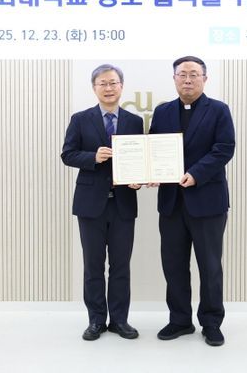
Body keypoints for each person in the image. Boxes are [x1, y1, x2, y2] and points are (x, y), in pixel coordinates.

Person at [149, 56, 235, 347]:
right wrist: (151, 172)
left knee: (210, 266)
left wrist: (196, 174)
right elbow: (153, 148)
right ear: (174, 79)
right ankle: (180, 320)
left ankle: (211, 322)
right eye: (182, 74)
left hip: (207, 201)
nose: (188, 79)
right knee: (173, 265)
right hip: (171, 202)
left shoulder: (219, 110)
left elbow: (224, 148)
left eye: (194, 74)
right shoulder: (162, 111)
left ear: (204, 79)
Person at [61, 64, 144, 341]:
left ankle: (120, 320)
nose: (108, 88)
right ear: (94, 88)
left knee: (121, 266)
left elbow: (141, 158)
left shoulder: (134, 121)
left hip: (123, 204)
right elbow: (68, 154)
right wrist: (93, 157)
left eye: (113, 83)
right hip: (90, 205)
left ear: (121, 86)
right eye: (103, 83)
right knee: (93, 266)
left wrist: (139, 178)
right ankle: (96, 320)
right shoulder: (80, 119)